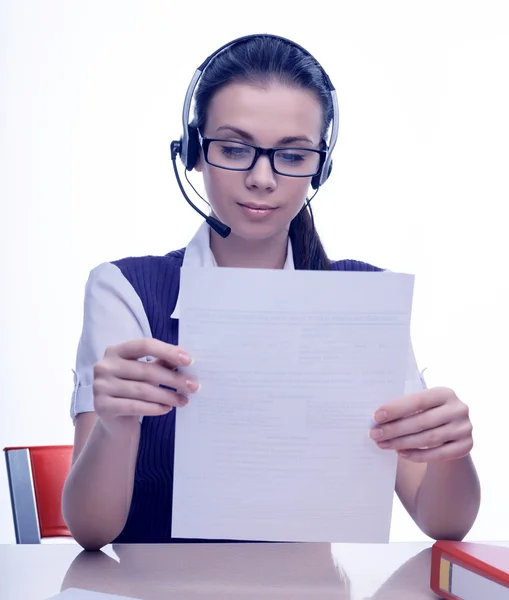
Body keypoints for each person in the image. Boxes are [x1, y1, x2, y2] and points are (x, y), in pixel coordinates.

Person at [62, 34, 481, 551]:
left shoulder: (362, 300)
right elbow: (91, 530)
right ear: (195, 154)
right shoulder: (124, 290)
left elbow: (442, 522)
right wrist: (115, 424)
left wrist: (451, 451)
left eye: (293, 155)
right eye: (235, 149)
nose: (262, 179)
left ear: (320, 168)